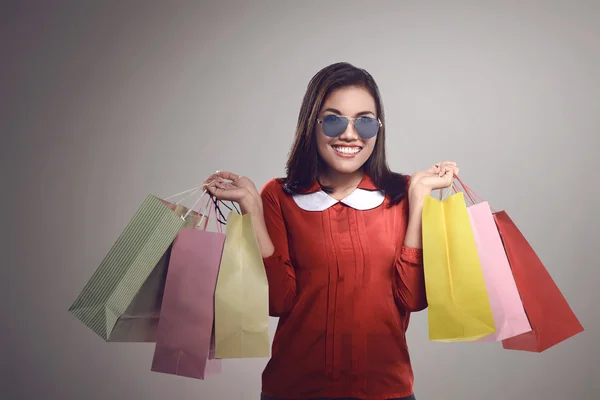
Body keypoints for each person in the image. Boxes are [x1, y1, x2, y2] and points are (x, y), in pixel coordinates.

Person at [204, 62, 459, 400]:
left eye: (365, 122)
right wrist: (251, 207)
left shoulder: (403, 194)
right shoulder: (278, 197)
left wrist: (419, 201)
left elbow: (412, 298)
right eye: (335, 119)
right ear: (313, 124)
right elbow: (277, 302)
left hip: (386, 391)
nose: (350, 135)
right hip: (294, 390)